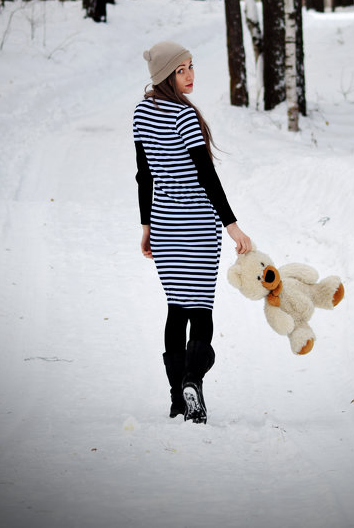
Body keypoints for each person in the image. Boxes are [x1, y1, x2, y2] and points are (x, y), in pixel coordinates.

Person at [133, 40, 251, 424]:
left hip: (166, 224)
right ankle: (192, 381)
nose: (190, 75)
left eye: (191, 66)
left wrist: (148, 226)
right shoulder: (185, 117)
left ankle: (176, 400)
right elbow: (206, 174)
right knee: (200, 308)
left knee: (175, 309)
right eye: (181, 69)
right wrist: (231, 225)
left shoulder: (140, 114)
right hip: (198, 225)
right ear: (166, 75)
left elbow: (144, 176)